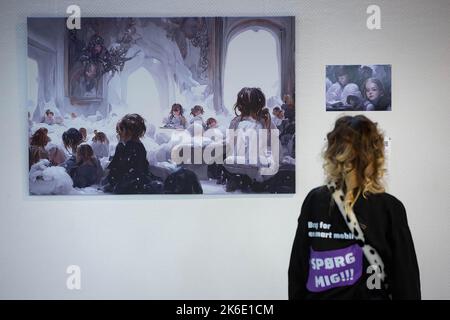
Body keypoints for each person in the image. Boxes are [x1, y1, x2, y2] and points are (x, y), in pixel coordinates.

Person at [288, 115, 420, 300]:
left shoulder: (389, 209)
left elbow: (297, 275)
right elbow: (406, 285)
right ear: (375, 154)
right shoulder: (315, 201)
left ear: (332, 152)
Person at [102, 113, 163, 194]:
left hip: (131, 180)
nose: (119, 133)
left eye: (121, 130)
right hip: (125, 178)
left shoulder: (134, 146)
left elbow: (129, 167)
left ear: (130, 131)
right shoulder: (126, 145)